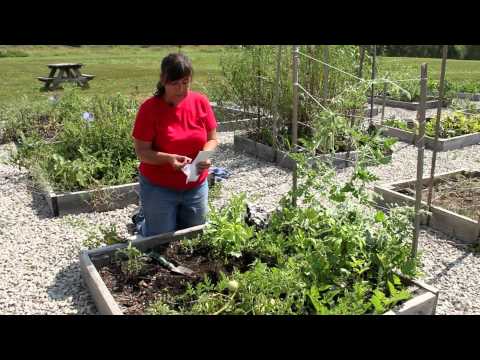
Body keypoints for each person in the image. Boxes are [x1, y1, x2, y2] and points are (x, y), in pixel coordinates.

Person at [131, 53, 218, 236]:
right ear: (163, 80)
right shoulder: (149, 109)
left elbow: (212, 138)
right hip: (159, 185)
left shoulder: (200, 102)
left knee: (194, 233)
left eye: (185, 83)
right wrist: (169, 159)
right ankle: (142, 220)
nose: (181, 89)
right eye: (175, 83)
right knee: (159, 238)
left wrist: (205, 156)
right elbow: (142, 152)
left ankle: (170, 216)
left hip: (194, 182)